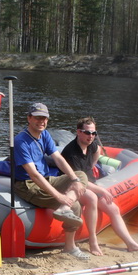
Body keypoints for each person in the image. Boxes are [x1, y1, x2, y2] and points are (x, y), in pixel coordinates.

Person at [61, 117, 138, 255]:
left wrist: (92, 166)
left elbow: (97, 150)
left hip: (89, 182)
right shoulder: (71, 152)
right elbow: (77, 180)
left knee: (114, 209)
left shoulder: (91, 144)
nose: (91, 136)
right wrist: (101, 189)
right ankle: (93, 240)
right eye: (87, 132)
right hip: (74, 185)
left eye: (93, 133)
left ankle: (131, 244)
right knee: (92, 198)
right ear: (78, 132)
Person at [13, 103, 91, 259]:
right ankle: (70, 246)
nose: (41, 121)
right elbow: (33, 175)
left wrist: (74, 180)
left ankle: (63, 209)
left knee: (81, 175)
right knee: (74, 205)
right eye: (37, 117)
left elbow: (59, 159)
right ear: (29, 118)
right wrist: (59, 196)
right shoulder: (21, 141)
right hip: (27, 184)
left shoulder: (45, 135)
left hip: (47, 178)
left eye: (44, 118)